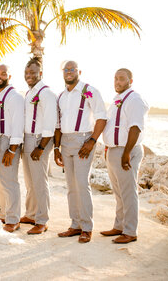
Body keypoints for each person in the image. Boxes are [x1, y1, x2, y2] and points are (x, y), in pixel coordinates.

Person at [54, 60, 107, 243]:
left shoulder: (89, 91)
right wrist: (56, 147)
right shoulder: (61, 96)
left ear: (79, 71)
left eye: (72, 69)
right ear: (63, 72)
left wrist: (92, 141)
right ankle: (75, 225)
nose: (69, 72)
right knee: (70, 186)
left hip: (83, 140)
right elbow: (58, 124)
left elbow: (102, 117)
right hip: (66, 142)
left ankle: (87, 227)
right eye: (66, 69)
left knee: (82, 185)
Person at [100, 68, 149, 244]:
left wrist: (126, 152)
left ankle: (130, 231)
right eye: (115, 78)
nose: (117, 82)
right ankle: (119, 226)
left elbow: (135, 127)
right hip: (114, 151)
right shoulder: (116, 100)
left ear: (131, 80)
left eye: (121, 79)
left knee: (128, 192)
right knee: (119, 192)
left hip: (126, 151)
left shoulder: (134, 99)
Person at [20, 57, 58, 235]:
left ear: (40, 73)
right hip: (27, 139)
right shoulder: (29, 93)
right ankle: (31, 213)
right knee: (29, 181)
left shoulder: (47, 93)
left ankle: (42, 220)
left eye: (33, 73)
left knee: (40, 182)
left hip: (39, 141)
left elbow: (50, 124)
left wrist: (41, 147)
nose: (29, 76)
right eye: (27, 72)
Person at [0, 64, 24, 233]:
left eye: (4, 73)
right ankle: (2, 212)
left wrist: (12, 149)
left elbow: (18, 124)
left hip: (7, 141)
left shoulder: (15, 97)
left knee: (9, 181)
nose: (0, 76)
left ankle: (13, 218)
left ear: (10, 77)